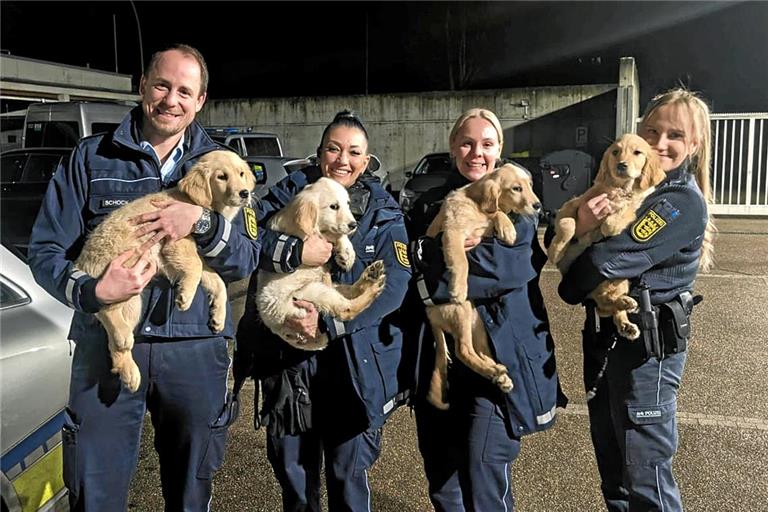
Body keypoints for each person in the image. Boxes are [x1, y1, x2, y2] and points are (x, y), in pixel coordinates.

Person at [28, 44, 261, 511]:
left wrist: (200, 222)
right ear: (142, 86)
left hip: (194, 349)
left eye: (184, 91)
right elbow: (45, 250)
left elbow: (246, 258)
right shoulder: (90, 158)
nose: (171, 99)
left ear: (200, 100)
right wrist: (92, 291)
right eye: (162, 85)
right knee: (95, 491)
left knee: (191, 491)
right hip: (105, 347)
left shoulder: (224, 165)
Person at [233, 110, 412, 511]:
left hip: (352, 365)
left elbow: (394, 286)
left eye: (354, 152)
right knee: (295, 479)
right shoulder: (285, 196)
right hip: (289, 364)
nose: (343, 160)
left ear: (367, 162)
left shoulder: (384, 212)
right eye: (334, 149)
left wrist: (329, 323)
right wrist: (295, 251)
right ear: (319, 154)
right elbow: (245, 243)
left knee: (349, 479)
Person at [557, 87, 716, 511]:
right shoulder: (632, 193)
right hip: (607, 341)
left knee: (646, 477)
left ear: (694, 144)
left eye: (675, 136)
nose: (660, 143)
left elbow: (604, 263)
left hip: (647, 352)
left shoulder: (677, 201)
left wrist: (576, 271)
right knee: (615, 473)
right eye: (652, 131)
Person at [404, 107, 566, 511]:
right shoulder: (429, 203)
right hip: (439, 358)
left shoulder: (517, 206)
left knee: (483, 470)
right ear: (452, 147)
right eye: (467, 142)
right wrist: (429, 261)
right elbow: (405, 263)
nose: (476, 153)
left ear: (499, 151)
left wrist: (435, 267)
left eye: (487, 144)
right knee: (442, 478)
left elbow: (500, 270)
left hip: (497, 356)